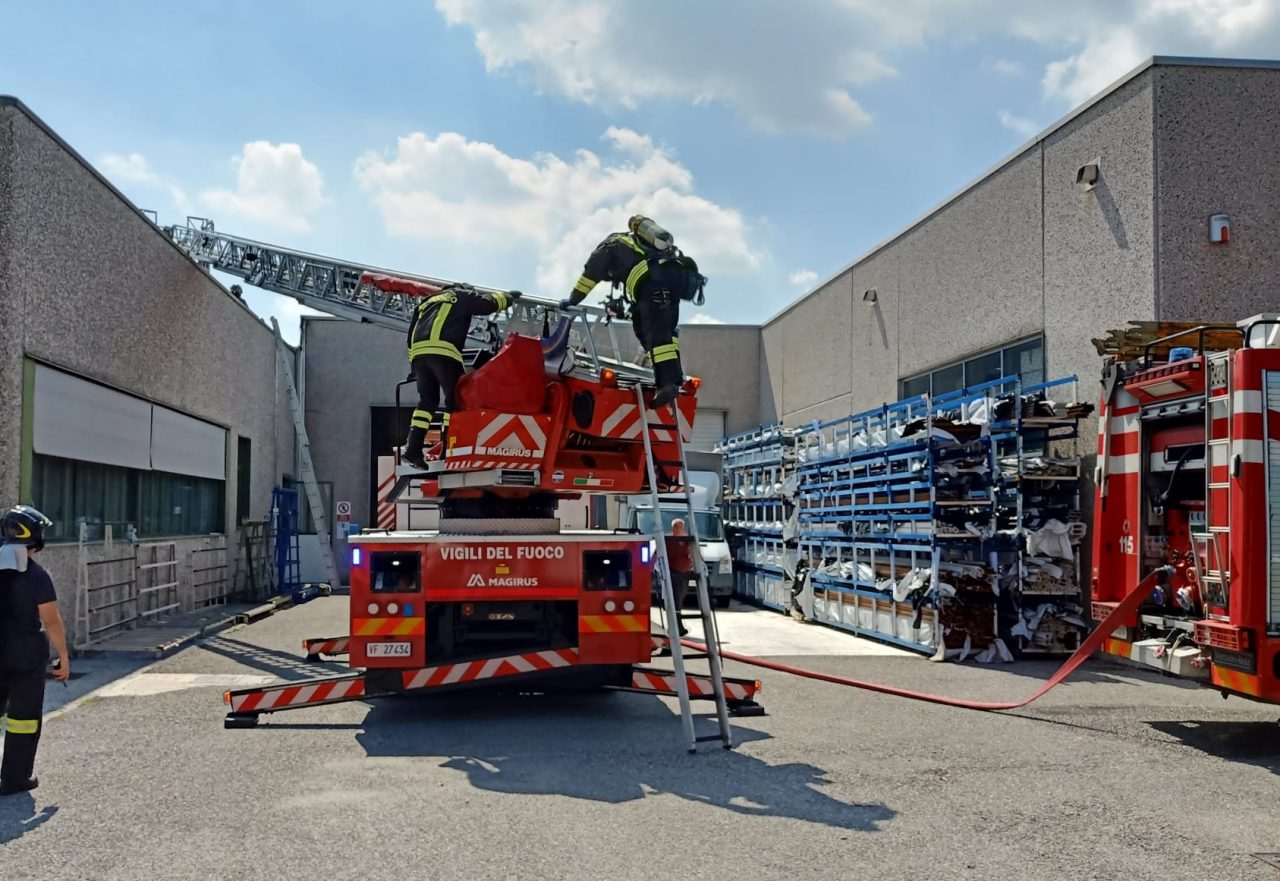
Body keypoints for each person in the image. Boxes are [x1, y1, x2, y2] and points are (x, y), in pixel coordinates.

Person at [561, 215, 705, 407]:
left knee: (657, 337)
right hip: (672, 282)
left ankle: (668, 383)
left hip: (653, 283)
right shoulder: (639, 245)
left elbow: (591, 273)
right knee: (653, 329)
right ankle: (671, 375)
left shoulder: (609, 245)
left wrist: (573, 299)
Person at [401, 284, 522, 468]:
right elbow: (487, 305)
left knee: (427, 402)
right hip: (445, 353)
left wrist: (414, 367)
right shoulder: (460, 296)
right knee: (455, 401)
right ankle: (447, 451)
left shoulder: (426, 302)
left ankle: (413, 449)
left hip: (419, 356)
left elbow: (410, 334)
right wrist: (506, 297)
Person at [0, 505, 70, 796]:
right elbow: (51, 620)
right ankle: (15, 778)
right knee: (23, 719)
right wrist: (63, 657)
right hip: (25, 655)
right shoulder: (37, 575)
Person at [664, 518, 697, 637]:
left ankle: (677, 626)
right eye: (676, 527)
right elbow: (659, 554)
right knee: (675, 600)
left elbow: (694, 553)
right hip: (672, 574)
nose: (678, 529)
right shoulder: (668, 540)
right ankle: (677, 627)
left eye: (680, 527)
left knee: (680, 600)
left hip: (685, 574)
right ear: (672, 528)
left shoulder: (687, 540)